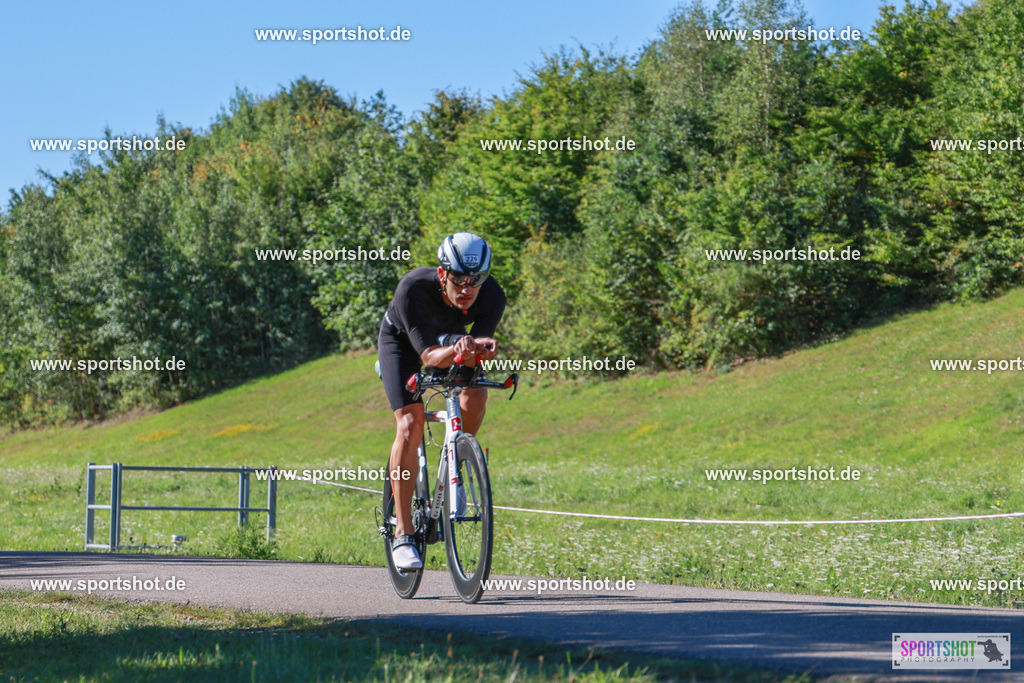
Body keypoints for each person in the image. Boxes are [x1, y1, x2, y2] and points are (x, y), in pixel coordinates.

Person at [377, 232, 506, 570]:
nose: (467, 288)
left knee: (476, 393)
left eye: (476, 280)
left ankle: (456, 467)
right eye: (459, 279)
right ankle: (403, 533)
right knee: (411, 423)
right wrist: (459, 347)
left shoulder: (492, 294)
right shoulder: (413, 289)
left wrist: (481, 348)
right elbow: (429, 356)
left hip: (450, 342)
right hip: (405, 344)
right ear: (441, 273)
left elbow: (475, 348)